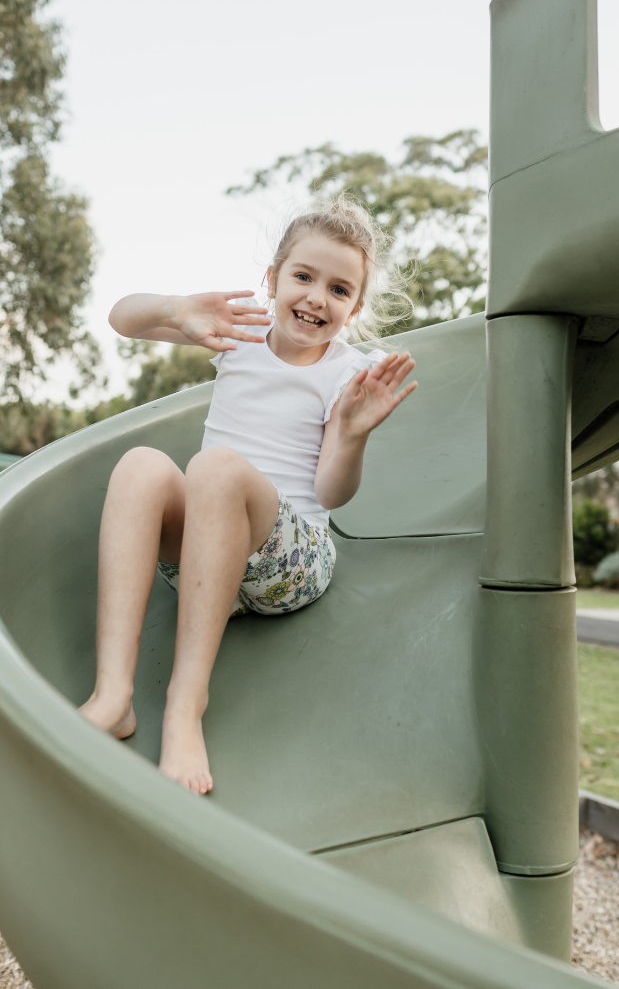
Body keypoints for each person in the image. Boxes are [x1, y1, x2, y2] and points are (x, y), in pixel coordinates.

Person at [78, 199, 417, 795]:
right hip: (209, 561)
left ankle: (185, 710)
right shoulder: (240, 333)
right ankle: (114, 697)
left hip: (292, 563)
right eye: (304, 277)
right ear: (273, 279)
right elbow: (120, 319)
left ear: (354, 308)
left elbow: (329, 491)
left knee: (215, 468)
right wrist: (175, 310)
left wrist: (355, 435)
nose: (316, 298)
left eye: (338, 289)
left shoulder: (347, 374)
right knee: (141, 467)